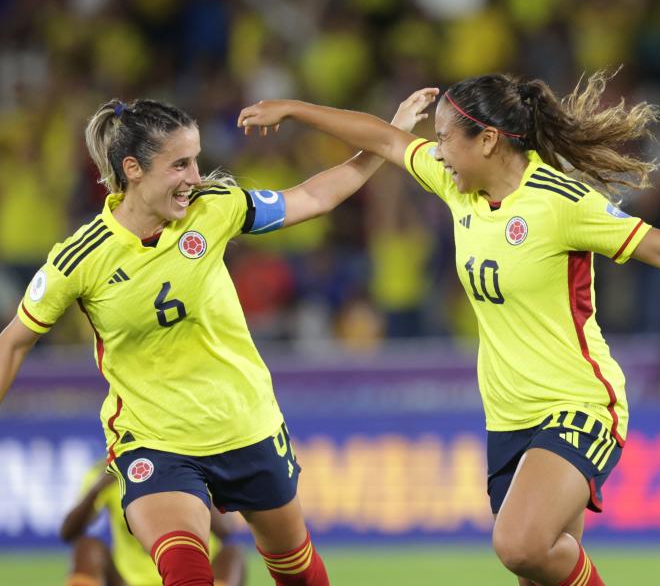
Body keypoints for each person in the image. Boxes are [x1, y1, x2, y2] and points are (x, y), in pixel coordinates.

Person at [236, 71, 660, 586]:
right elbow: (383, 140)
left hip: (578, 401)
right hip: (508, 417)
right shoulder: (455, 182)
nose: (435, 151)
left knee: (519, 545)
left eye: (444, 138)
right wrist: (293, 107)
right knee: (541, 570)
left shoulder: (562, 202)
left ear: (486, 140)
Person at [0, 88, 437, 586]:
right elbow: (12, 342)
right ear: (133, 169)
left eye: (196, 161)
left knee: (298, 572)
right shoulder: (80, 258)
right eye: (180, 165)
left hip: (245, 426)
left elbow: (315, 197)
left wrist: (388, 138)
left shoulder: (216, 208)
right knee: (188, 573)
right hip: (154, 442)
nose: (194, 178)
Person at [61, 460, 245, 586]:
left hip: (191, 578)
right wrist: (96, 490)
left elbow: (225, 530)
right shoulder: (108, 473)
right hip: (129, 580)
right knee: (87, 547)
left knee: (232, 554)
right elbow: (68, 533)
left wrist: (189, 478)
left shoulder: (194, 467)